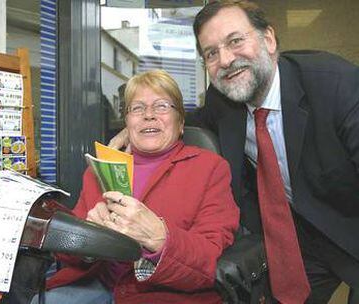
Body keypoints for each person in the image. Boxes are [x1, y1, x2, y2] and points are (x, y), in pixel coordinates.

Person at [109, 1, 359, 303]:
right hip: (297, 238)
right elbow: (190, 120)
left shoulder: (338, 85)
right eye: (211, 53)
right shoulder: (223, 98)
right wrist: (136, 127)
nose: (225, 59)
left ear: (268, 39)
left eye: (235, 41)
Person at [32, 70, 239, 304]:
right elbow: (67, 255)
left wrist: (161, 240)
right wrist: (87, 243)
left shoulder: (210, 168)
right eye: (137, 108)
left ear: (181, 122)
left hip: (165, 292)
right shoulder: (99, 169)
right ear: (127, 122)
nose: (148, 115)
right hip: (99, 284)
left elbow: (209, 258)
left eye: (162, 106)